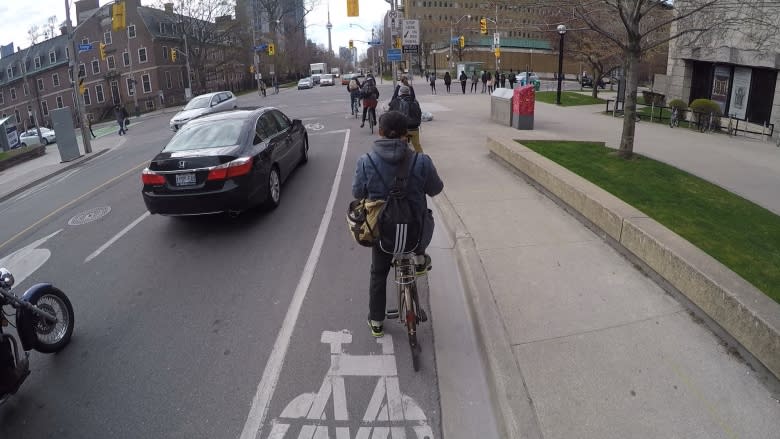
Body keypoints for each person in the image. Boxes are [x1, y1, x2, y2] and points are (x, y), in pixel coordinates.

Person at [351, 110, 444, 337]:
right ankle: (420, 260)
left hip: (383, 234)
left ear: (380, 132)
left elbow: (357, 192)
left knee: (378, 272)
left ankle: (377, 321)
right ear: (406, 134)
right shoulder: (421, 161)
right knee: (422, 215)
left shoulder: (366, 161)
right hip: (415, 233)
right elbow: (436, 189)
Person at [389, 85, 423, 153]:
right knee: (417, 145)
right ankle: (422, 158)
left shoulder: (396, 101)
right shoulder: (415, 101)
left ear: (400, 92)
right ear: (408, 92)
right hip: (414, 128)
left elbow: (390, 112)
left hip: (401, 129)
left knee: (398, 147)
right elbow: (419, 113)